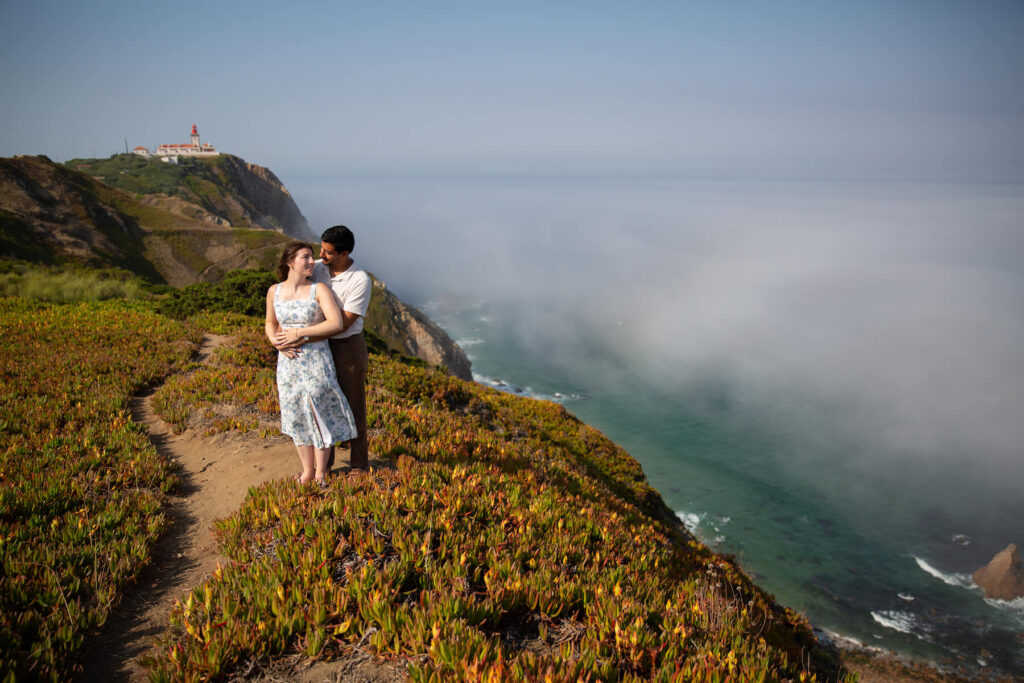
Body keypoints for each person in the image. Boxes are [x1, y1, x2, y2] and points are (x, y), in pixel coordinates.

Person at [265, 241, 358, 486]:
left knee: (319, 413)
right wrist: (276, 342)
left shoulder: (319, 290)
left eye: (310, 257)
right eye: (305, 257)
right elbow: (269, 323)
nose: (311, 262)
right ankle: (307, 471)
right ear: (289, 262)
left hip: (316, 359)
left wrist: (299, 334)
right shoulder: (274, 291)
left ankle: (321, 472)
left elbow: (335, 323)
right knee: (296, 414)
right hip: (288, 364)